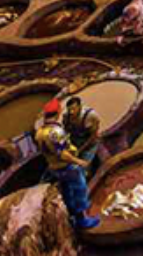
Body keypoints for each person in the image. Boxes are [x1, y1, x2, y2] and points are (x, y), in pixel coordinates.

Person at [33, 99, 99, 232]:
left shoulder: (39, 132)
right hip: (67, 166)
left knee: (67, 190)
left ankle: (71, 216)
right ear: (58, 112)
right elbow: (63, 154)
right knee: (79, 190)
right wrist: (78, 161)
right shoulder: (56, 132)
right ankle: (82, 221)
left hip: (53, 167)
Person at [60, 95, 103, 176]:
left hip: (89, 143)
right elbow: (65, 132)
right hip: (75, 141)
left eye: (74, 109)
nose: (71, 112)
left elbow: (93, 136)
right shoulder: (66, 117)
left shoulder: (90, 116)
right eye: (69, 110)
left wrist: (81, 149)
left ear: (80, 107)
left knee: (82, 168)